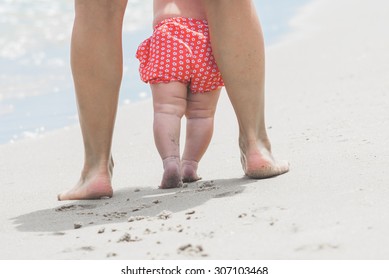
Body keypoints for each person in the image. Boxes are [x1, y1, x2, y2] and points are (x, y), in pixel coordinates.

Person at [57, 0, 289, 201]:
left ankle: (97, 170)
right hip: (203, 42)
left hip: (168, 43)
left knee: (166, 110)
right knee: (202, 114)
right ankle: (253, 145)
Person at [135, 2, 224, 189]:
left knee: (167, 111)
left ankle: (171, 162)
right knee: (202, 114)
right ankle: (190, 165)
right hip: (208, 37)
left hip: (169, 36)